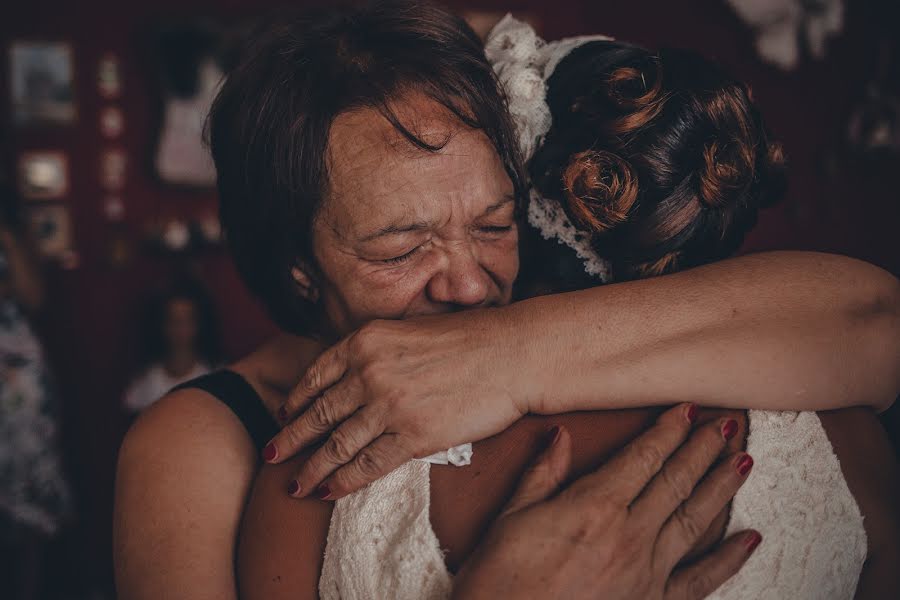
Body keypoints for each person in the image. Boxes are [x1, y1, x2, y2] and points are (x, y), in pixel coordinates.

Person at [113, 3, 900, 599]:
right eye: (399, 247)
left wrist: (510, 358)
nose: (469, 284)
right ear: (297, 269)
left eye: (495, 224)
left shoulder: (548, 348)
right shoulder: (205, 440)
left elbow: (875, 326)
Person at [0, 182, 70, 600]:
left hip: (22, 393)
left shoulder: (12, 230)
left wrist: (8, 234)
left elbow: (35, 296)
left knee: (30, 514)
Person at [122, 278, 220, 413]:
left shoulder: (216, 375)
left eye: (188, 320)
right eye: (174, 321)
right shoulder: (145, 382)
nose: (181, 330)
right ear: (161, 325)